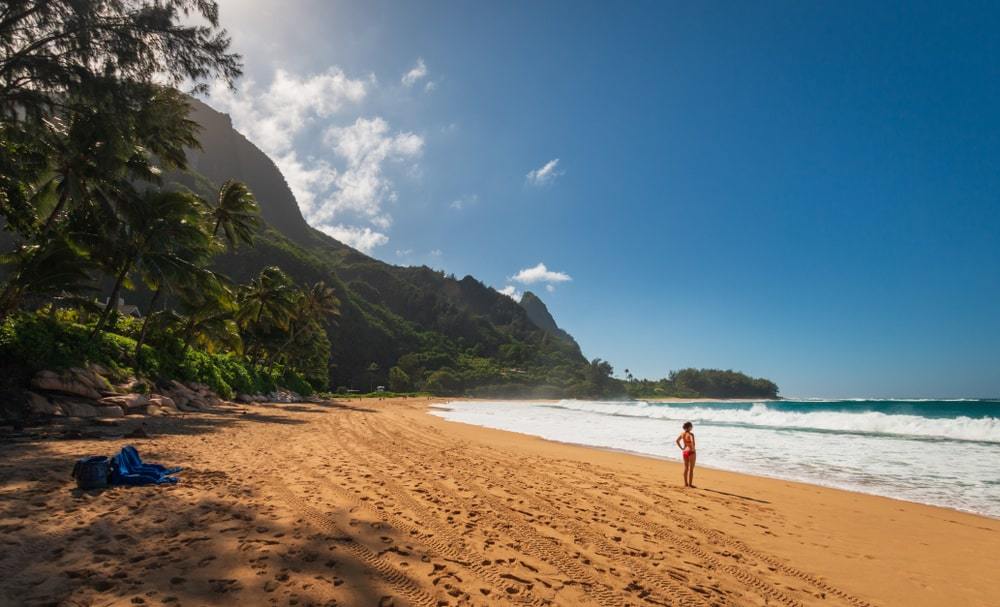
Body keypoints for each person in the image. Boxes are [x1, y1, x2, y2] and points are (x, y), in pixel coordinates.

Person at [675, 421, 696, 488]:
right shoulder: (691, 434)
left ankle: (685, 483)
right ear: (689, 427)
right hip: (691, 452)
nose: (692, 427)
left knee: (686, 468)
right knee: (691, 469)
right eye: (691, 426)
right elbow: (692, 442)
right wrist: (693, 448)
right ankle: (690, 484)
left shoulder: (682, 434)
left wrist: (682, 448)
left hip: (685, 451)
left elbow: (677, 441)